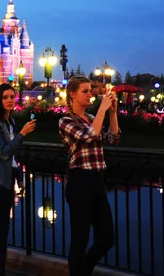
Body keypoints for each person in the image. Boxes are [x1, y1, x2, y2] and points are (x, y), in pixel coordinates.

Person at [58, 76, 120, 276]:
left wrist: (112, 113)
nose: (90, 94)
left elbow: (113, 138)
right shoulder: (66, 121)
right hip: (79, 182)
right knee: (80, 238)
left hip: (96, 181)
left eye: (90, 90)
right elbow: (88, 136)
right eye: (85, 91)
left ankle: (82, 272)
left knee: (106, 238)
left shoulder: (93, 119)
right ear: (72, 94)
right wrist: (102, 108)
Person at [0, 83, 36, 276]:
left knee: (2, 227)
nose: (9, 101)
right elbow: (4, 153)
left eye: (12, 97)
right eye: (5, 97)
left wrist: (19, 177)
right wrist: (22, 134)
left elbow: (13, 158)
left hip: (6, 180)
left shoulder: (9, 122)